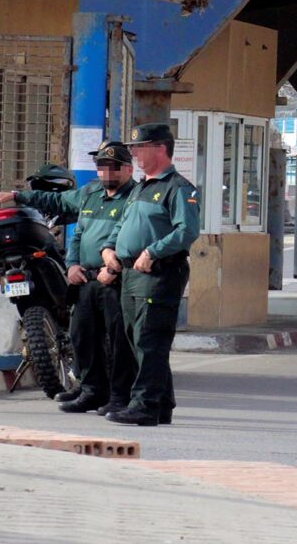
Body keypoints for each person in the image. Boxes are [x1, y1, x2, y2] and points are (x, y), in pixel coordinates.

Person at [0, 142, 138, 416]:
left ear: (128, 169)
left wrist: (113, 268)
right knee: (83, 336)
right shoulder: (90, 193)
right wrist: (72, 265)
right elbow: (64, 214)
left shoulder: (135, 197)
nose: (105, 172)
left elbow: (134, 235)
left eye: (112, 167)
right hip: (85, 279)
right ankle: (91, 391)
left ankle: (119, 396)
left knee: (119, 341)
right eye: (101, 166)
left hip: (116, 279)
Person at [100, 124, 199, 426]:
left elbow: (187, 231)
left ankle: (144, 406)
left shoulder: (178, 187)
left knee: (150, 341)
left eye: (138, 147)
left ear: (159, 148)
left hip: (157, 273)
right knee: (136, 339)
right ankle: (162, 403)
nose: (133, 153)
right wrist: (109, 251)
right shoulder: (142, 187)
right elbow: (122, 225)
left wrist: (152, 252)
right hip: (130, 273)